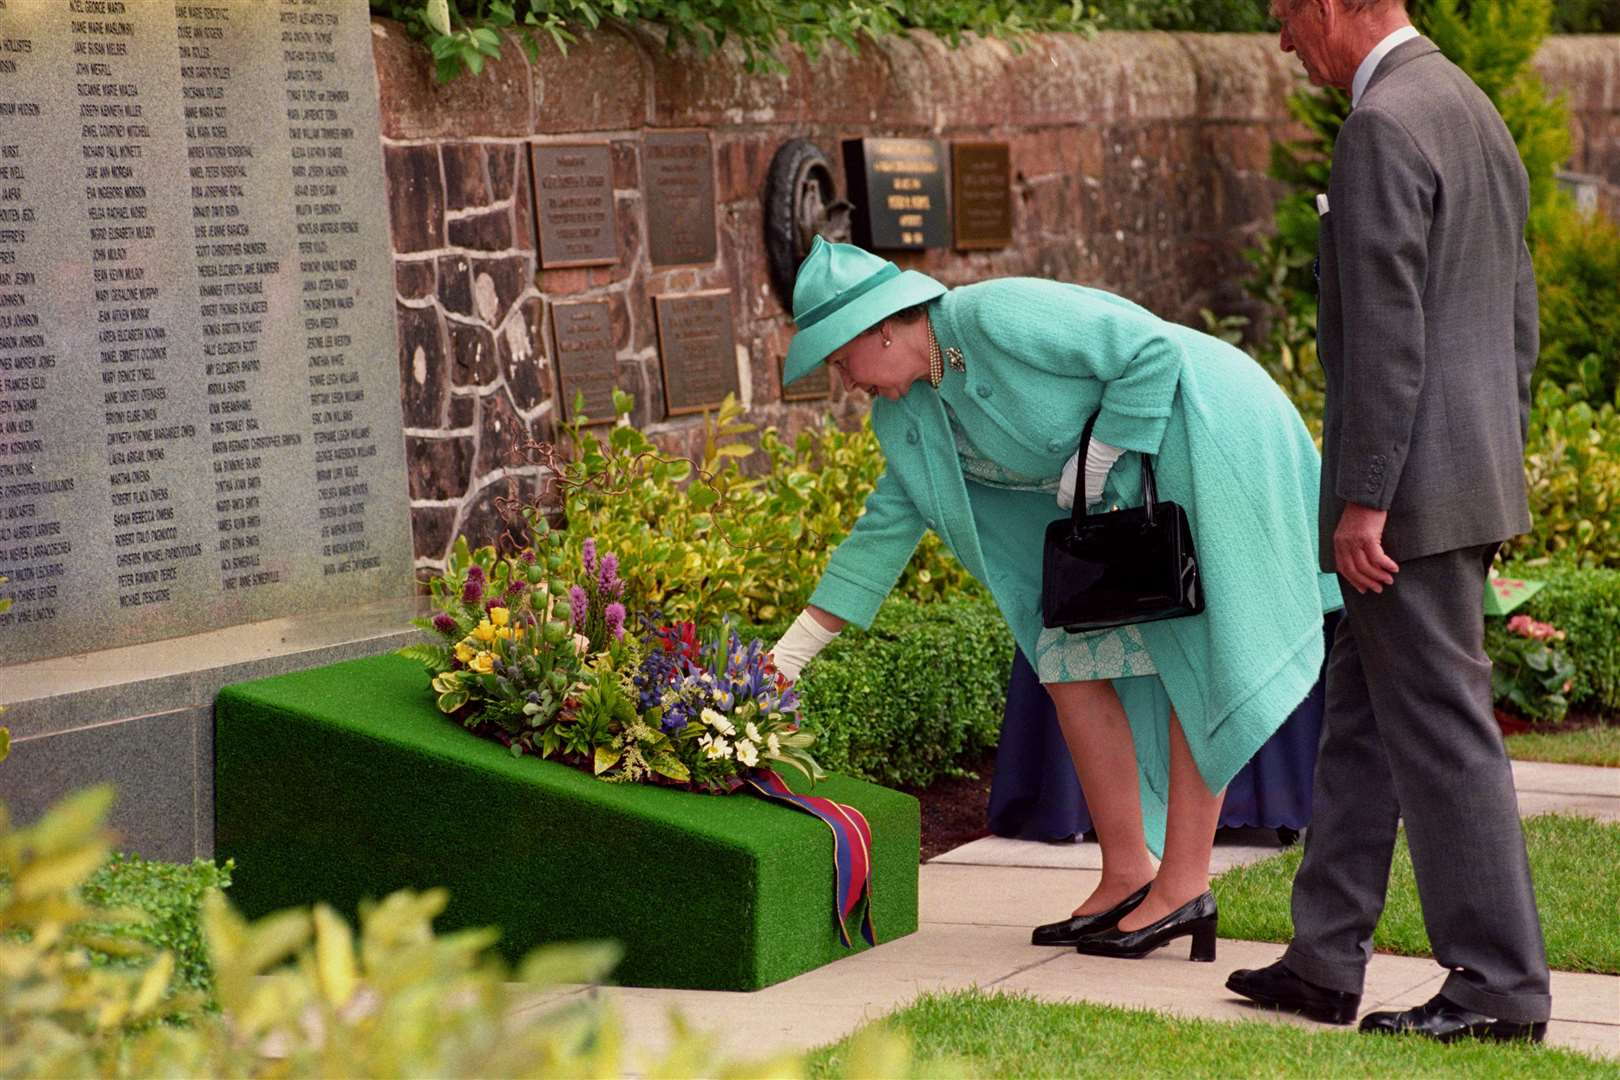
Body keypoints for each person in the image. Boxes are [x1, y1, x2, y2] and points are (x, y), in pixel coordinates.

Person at [769, 236, 1340, 963]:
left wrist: (1099, 456)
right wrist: (787, 658)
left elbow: (1152, 351)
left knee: (1200, 659)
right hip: (1119, 517)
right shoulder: (906, 414)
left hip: (1201, 432)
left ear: (881, 329)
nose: (845, 380)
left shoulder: (996, 314)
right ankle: (1128, 872)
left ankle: (1185, 887)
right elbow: (880, 535)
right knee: (1068, 662)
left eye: (840, 359)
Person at [1225, 0, 1551, 1043]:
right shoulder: (1467, 103)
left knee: (1445, 739)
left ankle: (1497, 986)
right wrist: (1489, 469)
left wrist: (1367, 500)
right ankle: (1324, 961)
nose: (1284, 41)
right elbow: (1518, 317)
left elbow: (1384, 337)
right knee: (1362, 717)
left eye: (1285, 16)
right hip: (1459, 479)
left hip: (1404, 500)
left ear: (1327, 6)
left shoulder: (1382, 124)